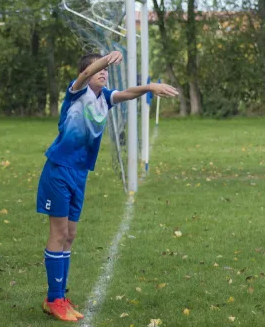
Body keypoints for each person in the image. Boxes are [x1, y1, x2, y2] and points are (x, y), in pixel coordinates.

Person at [36, 51, 179, 321]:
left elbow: (127, 93)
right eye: (97, 69)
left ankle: (58, 296)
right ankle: (54, 299)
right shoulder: (77, 92)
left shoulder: (104, 98)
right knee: (59, 232)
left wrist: (150, 87)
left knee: (70, 235)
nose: (102, 72)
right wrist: (105, 59)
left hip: (79, 174)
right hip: (59, 170)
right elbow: (84, 75)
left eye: (104, 69)